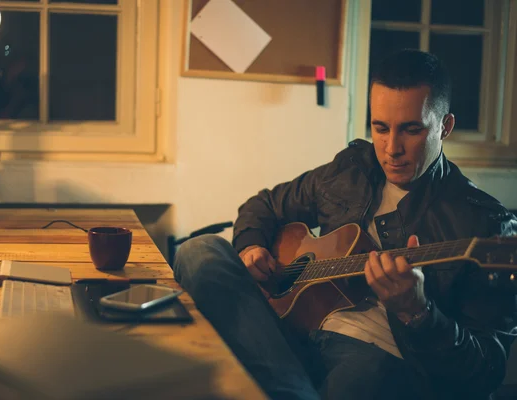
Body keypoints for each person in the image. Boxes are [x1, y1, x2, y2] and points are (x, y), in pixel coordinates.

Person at [173, 49, 517, 400]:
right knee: (198, 251)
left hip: (370, 353)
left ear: (445, 127)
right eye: (380, 128)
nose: (391, 148)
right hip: (292, 327)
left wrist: (418, 312)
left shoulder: (488, 225)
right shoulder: (351, 168)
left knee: (369, 375)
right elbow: (264, 205)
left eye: (411, 130)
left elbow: (485, 371)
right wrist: (251, 247)